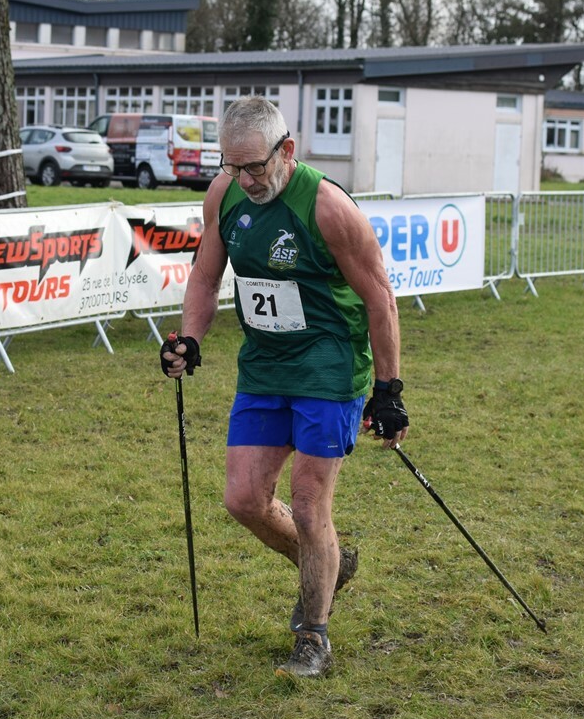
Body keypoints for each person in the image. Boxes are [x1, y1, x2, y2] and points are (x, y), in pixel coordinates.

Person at [159, 96, 409, 678]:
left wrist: (389, 390)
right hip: (264, 365)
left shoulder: (327, 207)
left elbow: (381, 299)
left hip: (328, 364)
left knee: (306, 500)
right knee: (243, 498)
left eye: (254, 167)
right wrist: (189, 341)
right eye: (231, 167)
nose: (244, 180)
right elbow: (204, 274)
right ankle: (327, 565)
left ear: (286, 151)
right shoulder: (226, 196)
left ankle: (313, 636)